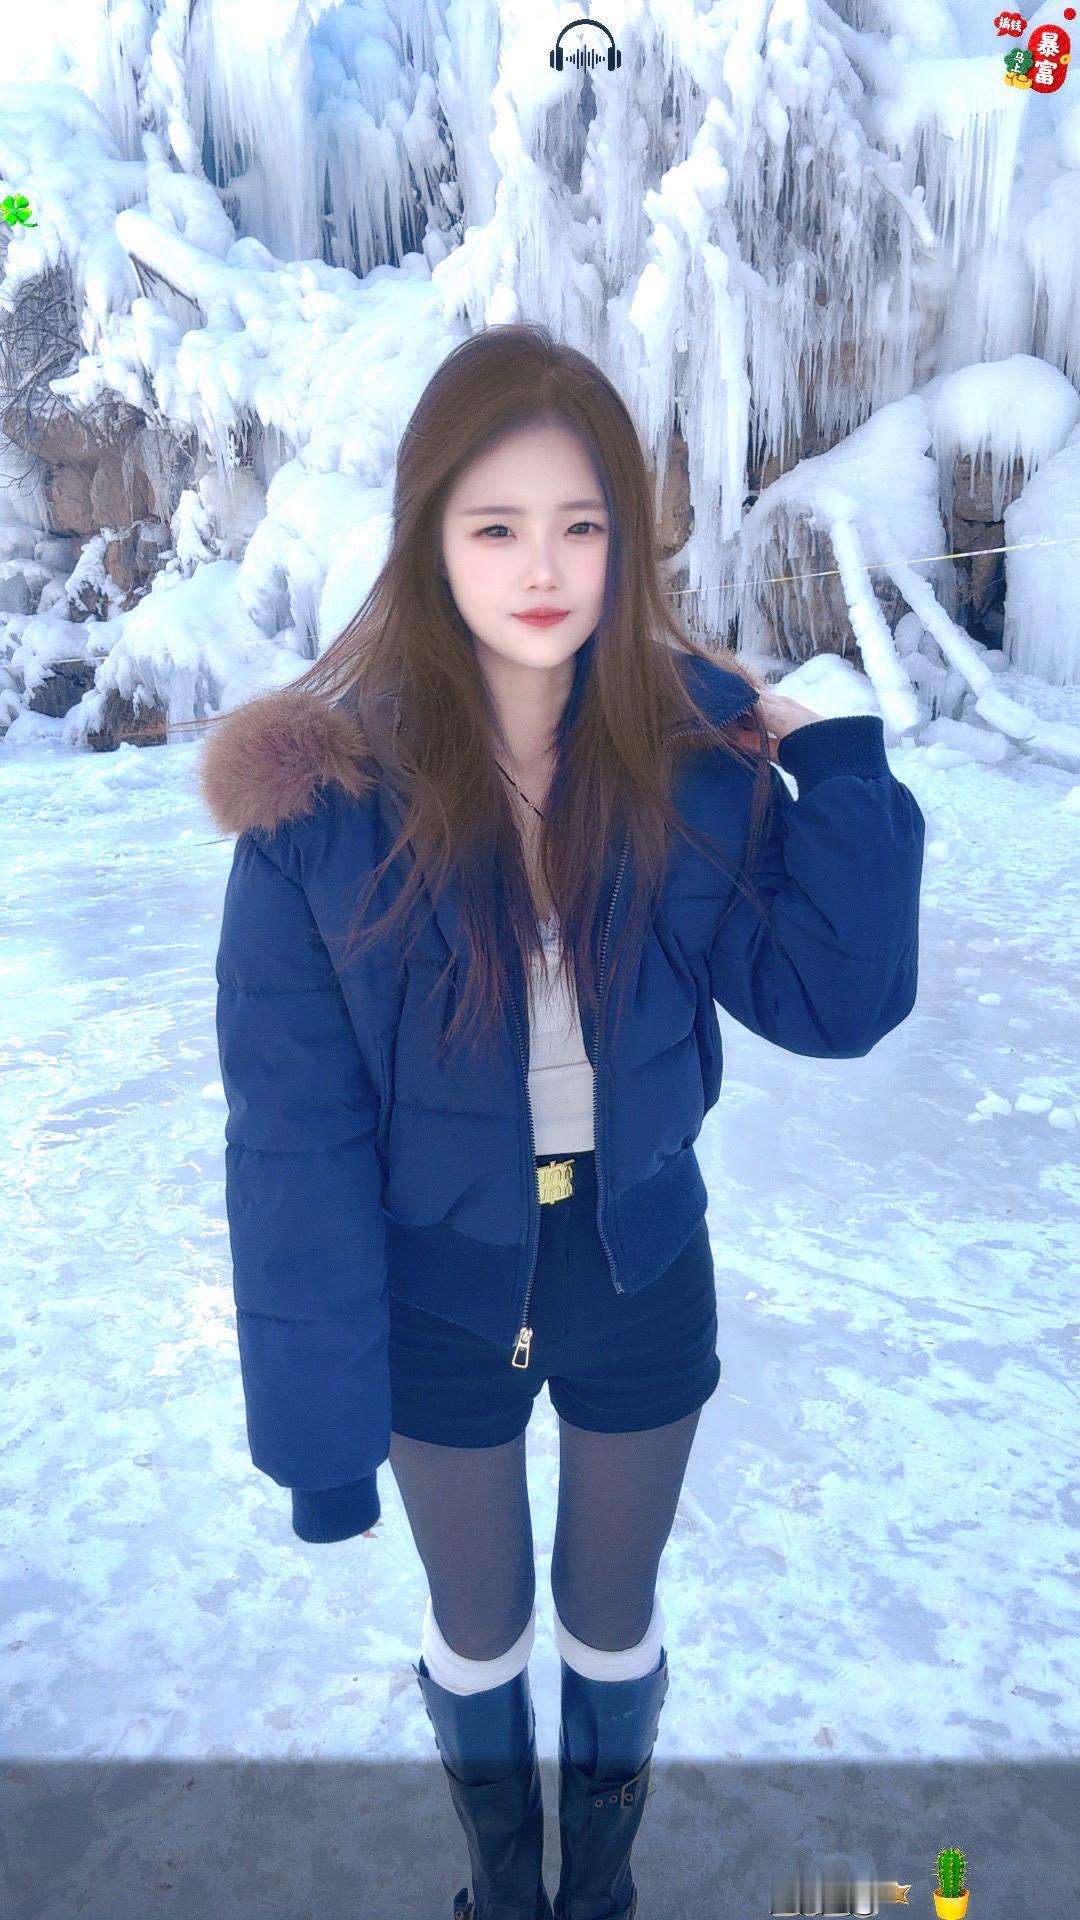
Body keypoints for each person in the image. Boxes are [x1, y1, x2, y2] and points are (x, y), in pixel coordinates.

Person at [198, 324, 926, 1919]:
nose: (543, 568)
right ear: (429, 538)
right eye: (497, 526)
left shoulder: (685, 761)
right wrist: (319, 1438)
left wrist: (836, 761)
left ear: (624, 540)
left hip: (639, 1266)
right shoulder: (322, 816)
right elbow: (293, 1154)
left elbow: (839, 997)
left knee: (612, 1615)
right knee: (482, 1631)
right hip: (435, 1297)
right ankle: (505, 1894)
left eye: (581, 525)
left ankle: (595, 1895)